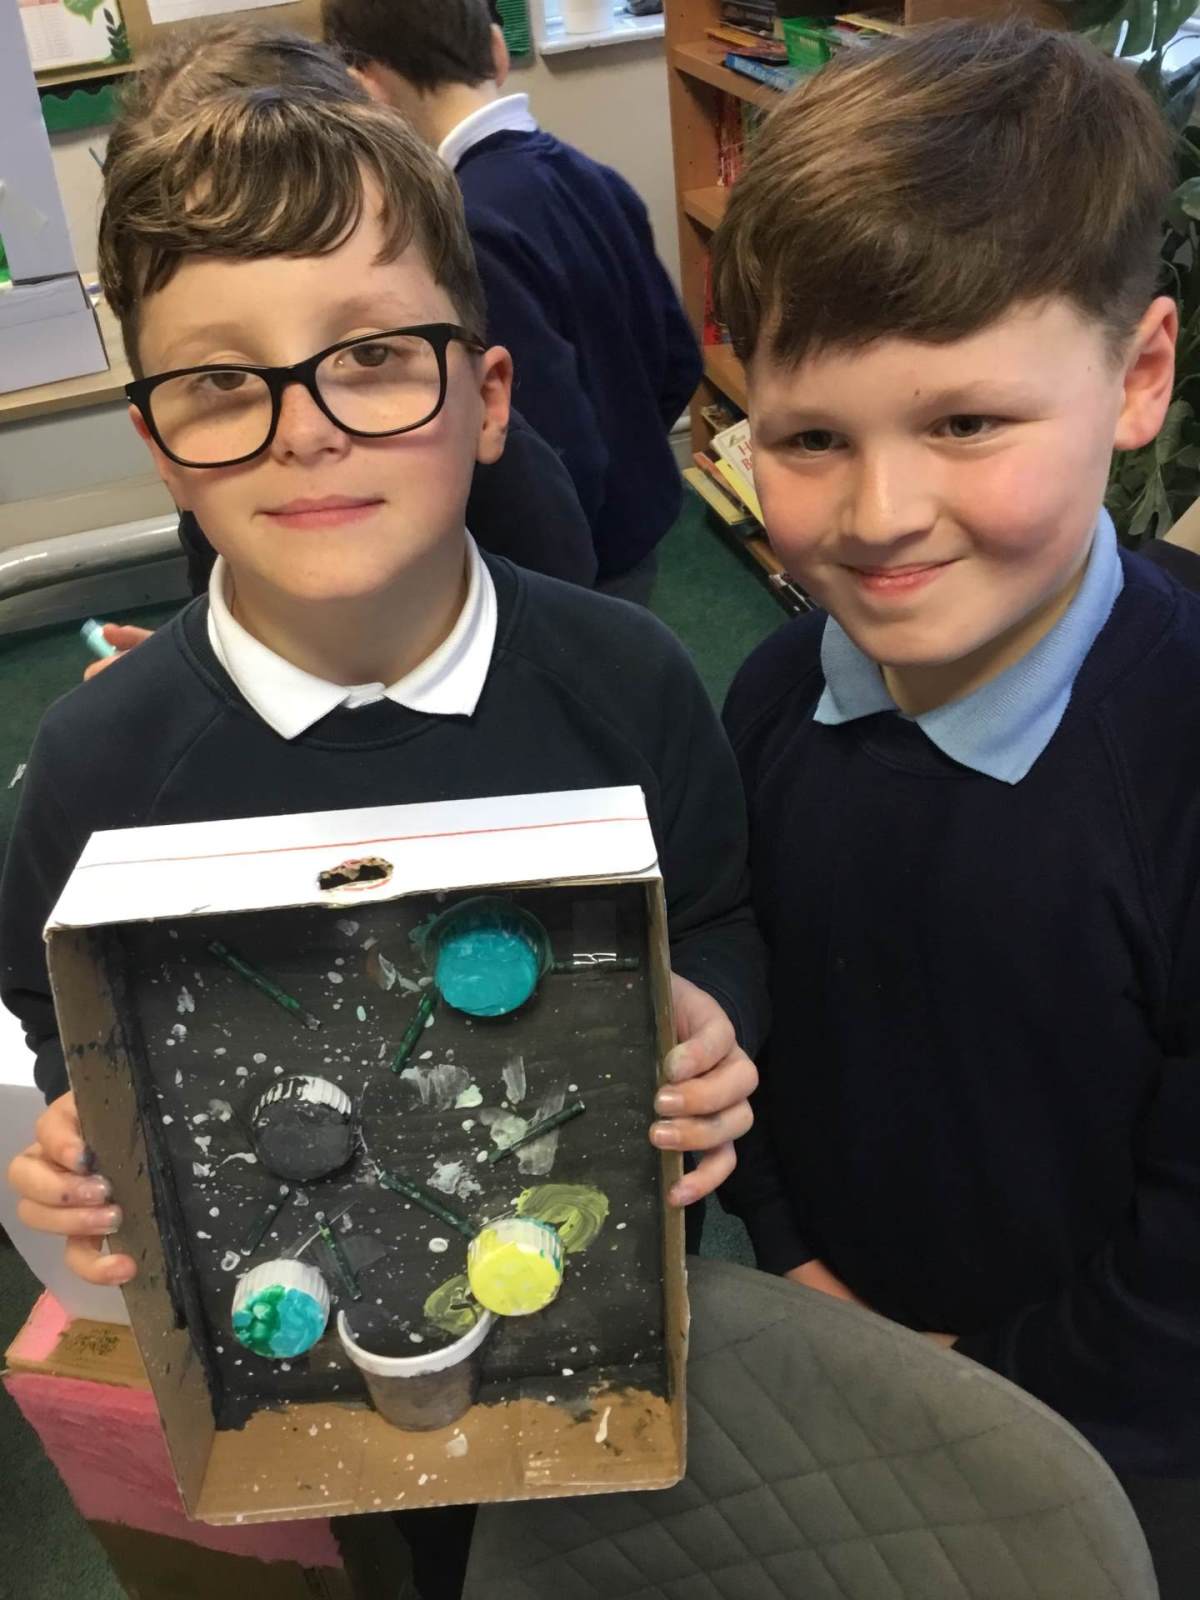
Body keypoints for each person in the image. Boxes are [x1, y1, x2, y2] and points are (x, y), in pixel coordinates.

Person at [712, 22, 1199, 1595]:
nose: (881, 515)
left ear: (1139, 377)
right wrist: (792, 1250)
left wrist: (976, 1389)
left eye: (966, 423)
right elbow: (744, 999)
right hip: (836, 1348)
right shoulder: (771, 699)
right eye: (811, 439)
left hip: (1119, 1450)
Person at [107, 24, 599, 602]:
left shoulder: (507, 486)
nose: (301, 434)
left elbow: (559, 590)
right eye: (225, 378)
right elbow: (217, 564)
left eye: (368, 353)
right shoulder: (210, 447)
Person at [322, 0, 702, 602]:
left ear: (365, 87)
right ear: (499, 52)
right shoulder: (595, 177)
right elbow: (679, 355)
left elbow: (549, 433)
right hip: (639, 516)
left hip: (572, 561)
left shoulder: (463, 232)